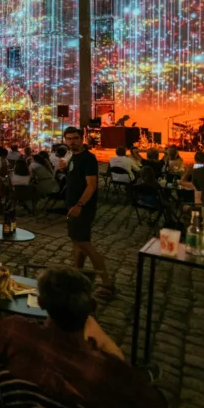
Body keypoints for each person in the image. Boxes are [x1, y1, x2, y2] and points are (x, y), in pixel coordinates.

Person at [0, 267, 166, 408]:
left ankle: (143, 374)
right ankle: (144, 375)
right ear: (90, 307)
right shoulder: (107, 373)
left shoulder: (13, 330)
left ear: (41, 303)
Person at [62, 127, 113, 299]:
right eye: (69, 139)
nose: (72, 142)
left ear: (82, 139)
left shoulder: (88, 158)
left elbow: (91, 185)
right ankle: (77, 277)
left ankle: (107, 283)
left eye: (75, 138)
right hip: (73, 206)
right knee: (78, 244)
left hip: (82, 207)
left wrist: (80, 205)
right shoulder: (73, 157)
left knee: (85, 245)